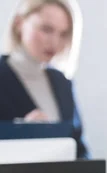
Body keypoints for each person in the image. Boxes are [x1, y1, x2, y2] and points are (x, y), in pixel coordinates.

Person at [0, 0, 89, 159]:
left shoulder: (62, 83)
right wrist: (19, 134)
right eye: (46, 29)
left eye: (63, 34)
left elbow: (80, 150)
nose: (54, 42)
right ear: (19, 23)